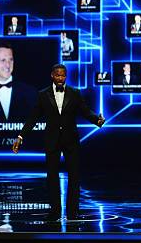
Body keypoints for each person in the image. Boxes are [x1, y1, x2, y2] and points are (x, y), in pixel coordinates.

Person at [12, 64, 105, 221]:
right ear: (52, 75)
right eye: (58, 75)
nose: (61, 78)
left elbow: (84, 111)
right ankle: (55, 211)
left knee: (74, 177)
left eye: (63, 75)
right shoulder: (43, 95)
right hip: (52, 140)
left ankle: (72, 212)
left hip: (71, 140)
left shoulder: (75, 93)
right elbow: (33, 117)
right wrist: (21, 136)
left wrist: (97, 120)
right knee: (52, 177)